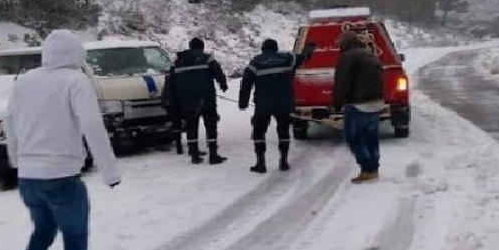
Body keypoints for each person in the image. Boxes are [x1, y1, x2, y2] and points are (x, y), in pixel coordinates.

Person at [5, 29, 121, 250]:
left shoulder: (24, 80)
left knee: (43, 231)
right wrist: (110, 172)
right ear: (77, 53)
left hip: (28, 179)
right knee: (75, 237)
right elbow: (92, 125)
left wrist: (17, 160)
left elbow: (9, 121)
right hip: (62, 177)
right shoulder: (76, 80)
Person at [239, 38, 314, 173]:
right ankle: (283, 161)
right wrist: (308, 49)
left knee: (259, 132)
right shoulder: (287, 58)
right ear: (276, 48)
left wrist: (243, 102)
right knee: (283, 131)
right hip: (283, 103)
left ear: (263, 48)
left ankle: (260, 163)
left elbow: (246, 83)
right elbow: (303, 58)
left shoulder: (256, 62)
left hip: (263, 104)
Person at [162, 37, 229, 164]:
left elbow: (170, 80)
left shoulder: (178, 60)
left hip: (186, 99)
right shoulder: (207, 57)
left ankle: (194, 155)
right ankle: (213, 155)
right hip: (206, 97)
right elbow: (217, 71)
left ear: (190, 46)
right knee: (211, 125)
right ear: (202, 47)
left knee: (191, 125)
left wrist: (172, 98)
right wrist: (223, 84)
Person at [332, 31, 385, 184]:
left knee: (353, 137)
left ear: (345, 43)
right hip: (376, 102)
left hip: (358, 103)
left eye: (339, 44)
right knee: (371, 137)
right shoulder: (370, 55)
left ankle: (367, 169)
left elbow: (342, 81)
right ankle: (374, 168)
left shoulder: (347, 57)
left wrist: (337, 103)